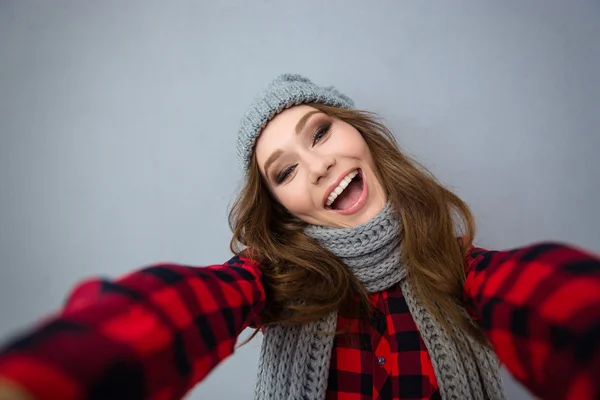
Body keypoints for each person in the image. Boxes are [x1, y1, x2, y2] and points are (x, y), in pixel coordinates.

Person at [0, 74, 599, 400]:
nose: (316, 167)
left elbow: (557, 305)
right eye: (284, 171)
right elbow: (175, 310)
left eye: (320, 133)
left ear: (362, 138)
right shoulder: (271, 284)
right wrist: (51, 375)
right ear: (282, 207)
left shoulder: (463, 273)